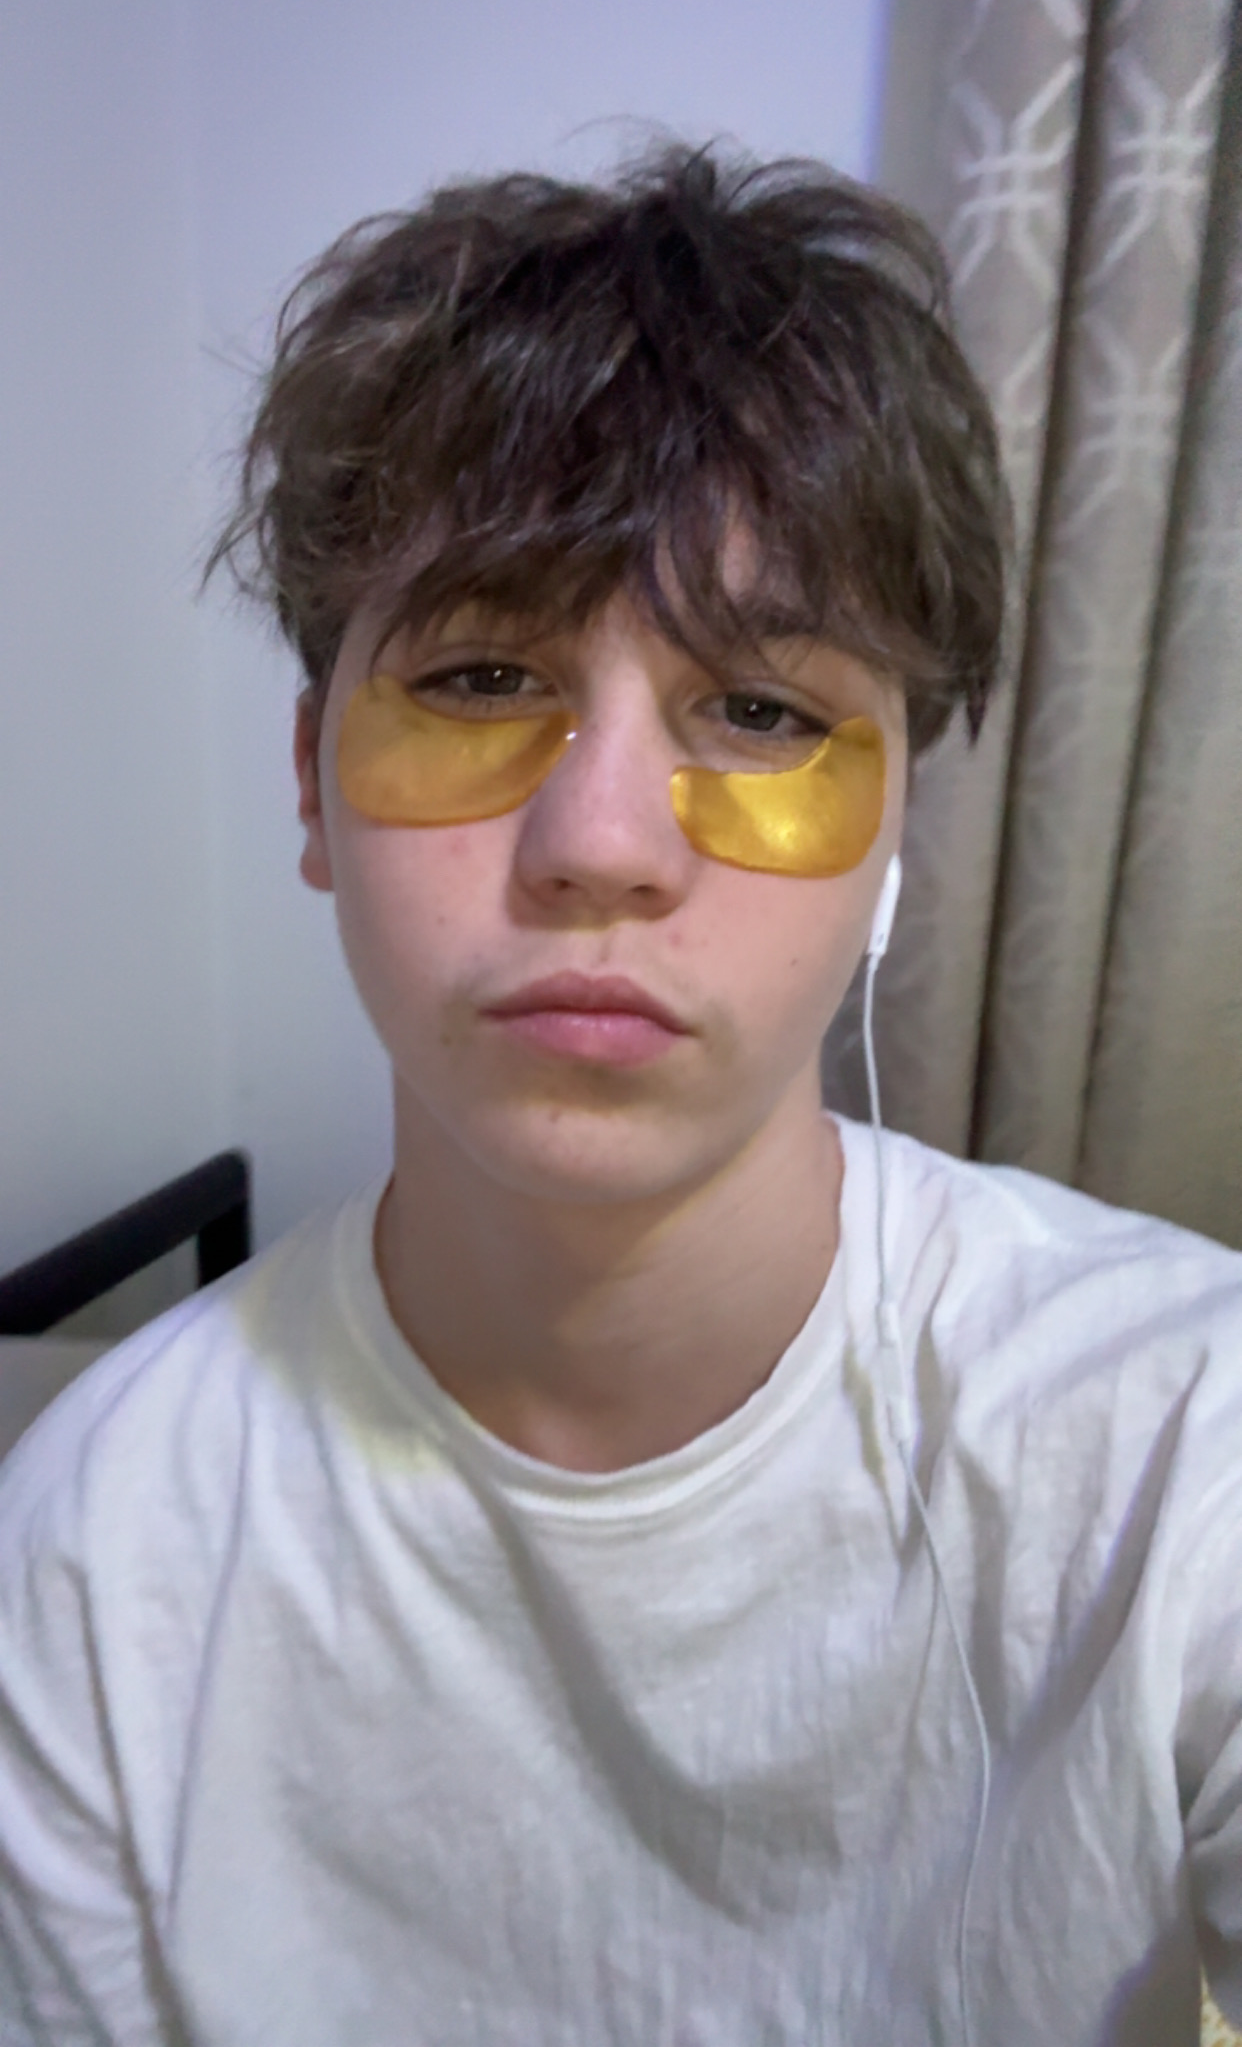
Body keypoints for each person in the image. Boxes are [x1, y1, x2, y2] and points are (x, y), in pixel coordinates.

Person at [0, 145, 1238, 2047]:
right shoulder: (94, 1550)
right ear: (312, 787)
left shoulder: (1181, 1449)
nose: (599, 843)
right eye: (481, 677)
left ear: (891, 835)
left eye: (757, 711)